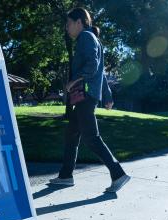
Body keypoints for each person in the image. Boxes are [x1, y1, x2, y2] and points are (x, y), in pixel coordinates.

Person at [49, 7, 130, 193]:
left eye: (68, 24)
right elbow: (100, 73)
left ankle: (118, 174)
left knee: (91, 137)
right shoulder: (92, 39)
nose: (67, 28)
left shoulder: (85, 37)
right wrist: (108, 96)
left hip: (85, 95)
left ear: (79, 22)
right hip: (88, 95)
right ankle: (65, 176)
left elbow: (93, 67)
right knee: (71, 135)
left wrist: (73, 81)